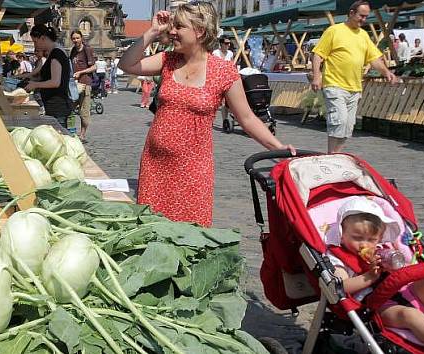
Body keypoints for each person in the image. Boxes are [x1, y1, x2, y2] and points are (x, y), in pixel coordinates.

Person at [118, 3, 294, 227]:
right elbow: (127, 64)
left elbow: (247, 119)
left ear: (199, 31)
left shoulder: (224, 71)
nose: (172, 32)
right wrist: (152, 31)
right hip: (155, 165)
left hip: (192, 171)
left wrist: (278, 148)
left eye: (179, 27)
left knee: (190, 235)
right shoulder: (168, 60)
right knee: (150, 230)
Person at [326, 196, 424, 348]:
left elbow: (401, 269)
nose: (364, 244)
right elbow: (341, 287)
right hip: (377, 305)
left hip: (403, 289)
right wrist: (369, 276)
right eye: (357, 238)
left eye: (371, 239)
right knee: (410, 316)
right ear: (341, 234)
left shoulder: (382, 251)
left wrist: (392, 264)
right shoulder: (339, 258)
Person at [311, 1, 397, 153]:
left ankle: (336, 155)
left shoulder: (363, 35)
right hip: (334, 85)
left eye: (366, 17)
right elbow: (317, 55)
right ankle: (332, 156)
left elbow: (374, 59)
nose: (363, 19)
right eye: (361, 16)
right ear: (351, 13)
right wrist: (317, 77)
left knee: (348, 125)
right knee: (339, 121)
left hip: (355, 88)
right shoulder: (334, 31)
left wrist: (386, 72)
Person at [24, 24, 72, 128]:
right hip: (54, 104)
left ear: (43, 38)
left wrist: (35, 84)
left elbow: (55, 82)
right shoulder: (53, 53)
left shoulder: (56, 54)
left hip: (57, 105)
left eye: (35, 42)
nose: (35, 45)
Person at [69, 30, 96, 141]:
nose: (76, 40)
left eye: (77, 38)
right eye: (74, 38)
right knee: (69, 107)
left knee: (84, 111)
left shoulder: (87, 50)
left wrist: (81, 72)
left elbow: (94, 67)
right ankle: (70, 131)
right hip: (74, 84)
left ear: (81, 38)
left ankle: (82, 134)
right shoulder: (73, 51)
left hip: (85, 83)